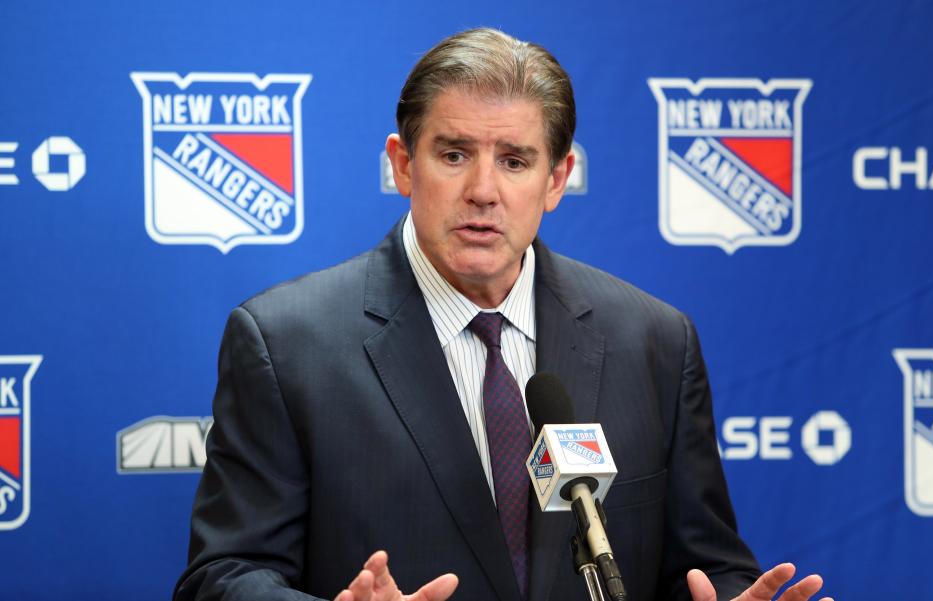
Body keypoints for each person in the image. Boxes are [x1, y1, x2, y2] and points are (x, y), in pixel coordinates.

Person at [174, 28, 831, 601]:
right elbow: (223, 577)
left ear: (556, 178)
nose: (483, 191)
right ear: (403, 164)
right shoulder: (287, 343)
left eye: (514, 161)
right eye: (454, 154)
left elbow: (706, 566)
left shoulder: (655, 341)